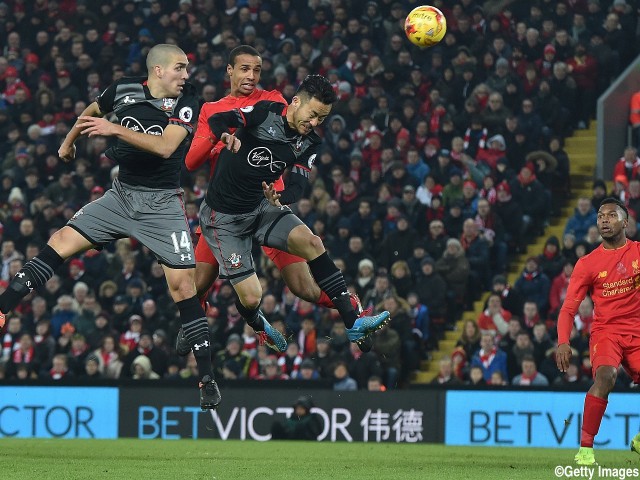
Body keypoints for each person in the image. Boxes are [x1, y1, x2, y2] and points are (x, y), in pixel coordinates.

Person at [0, 45, 221, 410]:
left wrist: (113, 128)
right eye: (180, 68)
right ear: (158, 71)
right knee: (60, 241)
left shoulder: (188, 103)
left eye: (186, 69)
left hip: (162, 204)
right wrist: (68, 141)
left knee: (184, 287)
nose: (186, 75)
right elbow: (92, 111)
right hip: (121, 196)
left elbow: (166, 148)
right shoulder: (122, 90)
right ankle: (4, 307)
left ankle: (206, 377)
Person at [178, 45, 367, 353]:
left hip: (267, 204)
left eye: (257, 70)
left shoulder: (273, 102)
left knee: (304, 285)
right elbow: (190, 163)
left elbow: (292, 152)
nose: (251, 76)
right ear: (229, 70)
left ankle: (353, 312)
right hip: (225, 207)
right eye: (244, 69)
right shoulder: (213, 110)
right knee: (197, 285)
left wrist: (280, 194)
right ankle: (194, 323)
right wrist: (218, 141)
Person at [556, 198, 640, 465]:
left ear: (625, 222)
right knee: (606, 376)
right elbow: (568, 308)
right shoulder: (588, 263)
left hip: (637, 332)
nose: (604, 219)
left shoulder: (638, 253)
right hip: (607, 332)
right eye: (601, 216)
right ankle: (586, 449)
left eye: (611, 215)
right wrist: (563, 342)